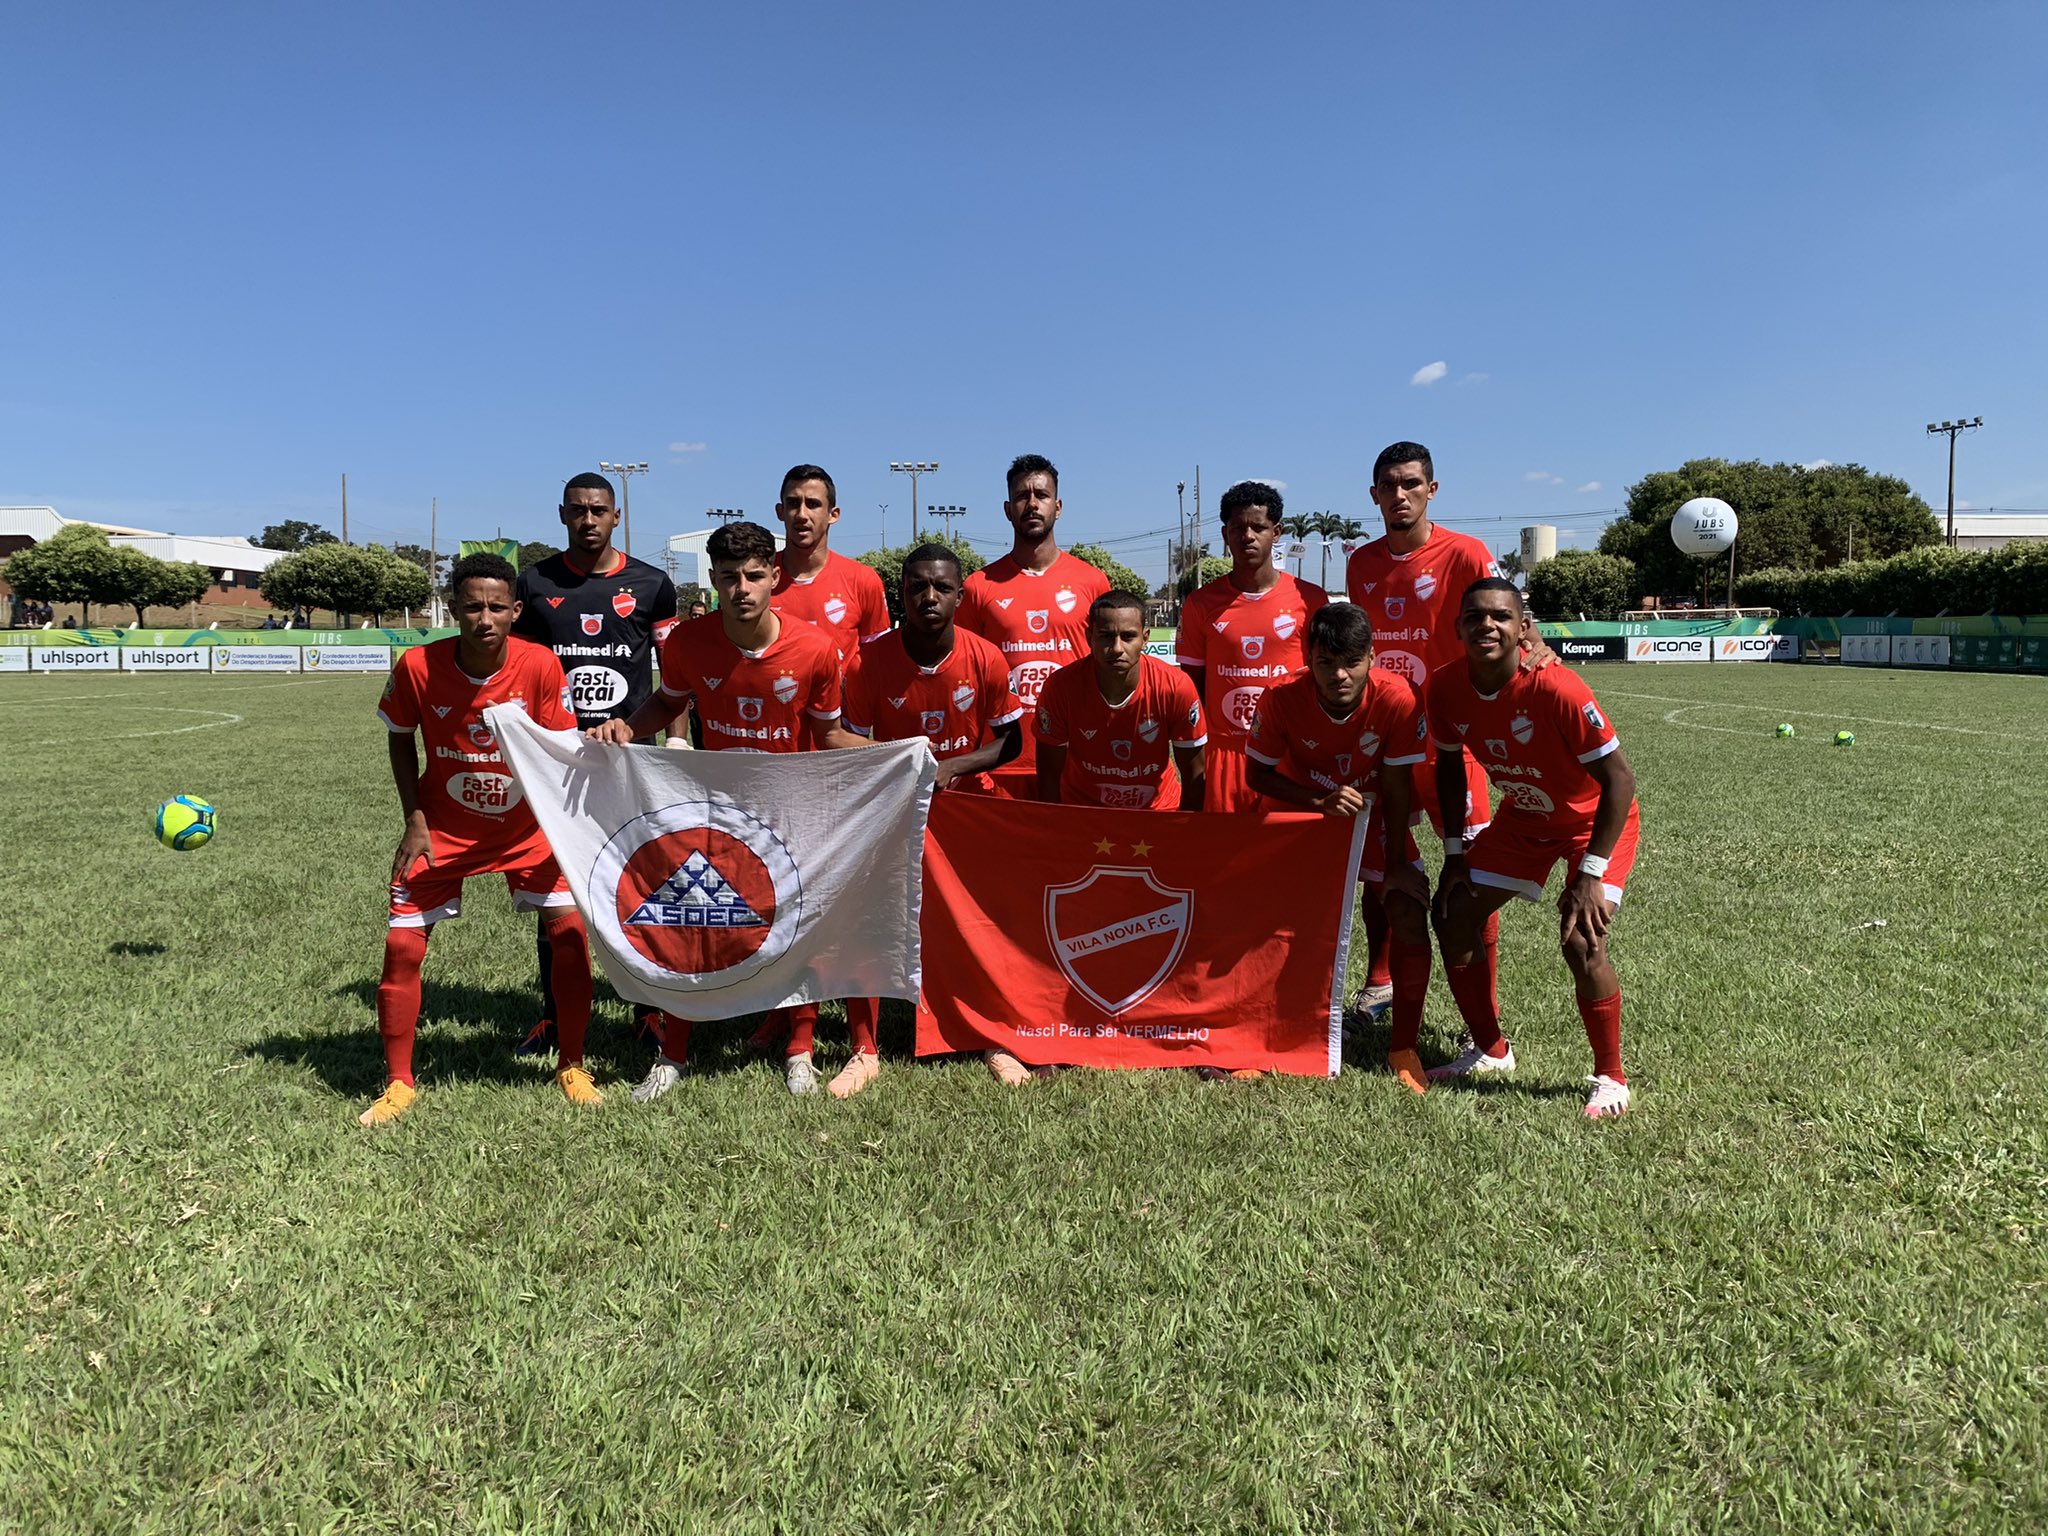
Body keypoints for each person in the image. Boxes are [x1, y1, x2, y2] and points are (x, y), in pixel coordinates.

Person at [588, 521, 869, 1100]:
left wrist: (903, 757)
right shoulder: (689, 642)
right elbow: (667, 702)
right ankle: (673, 1055)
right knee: (696, 921)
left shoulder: (816, 649)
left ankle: (801, 1050)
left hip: (791, 811)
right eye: (727, 578)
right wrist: (625, 726)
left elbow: (832, 735)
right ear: (713, 580)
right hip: (715, 808)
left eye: (752, 576)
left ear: (774, 577)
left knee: (799, 928)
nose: (741, 588)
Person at [362, 552, 598, 1125]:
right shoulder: (417, 666)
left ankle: (572, 1064)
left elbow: (560, 748)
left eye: (496, 606)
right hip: (443, 828)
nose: (484, 618)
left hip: (526, 828)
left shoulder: (540, 665)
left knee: (568, 935)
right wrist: (414, 818)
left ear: (516, 611)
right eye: (472, 606)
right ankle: (398, 1083)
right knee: (401, 946)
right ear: (454, 610)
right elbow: (400, 739)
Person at [1427, 578, 1640, 1119]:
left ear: (1523, 628)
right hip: (1524, 818)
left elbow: (1619, 781)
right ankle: (1491, 1050)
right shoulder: (1446, 687)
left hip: (1591, 824)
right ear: (1458, 628)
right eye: (1474, 617)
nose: (1487, 626)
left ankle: (1611, 1078)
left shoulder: (1557, 688)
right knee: (1452, 911)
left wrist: (1590, 874)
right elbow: (1449, 766)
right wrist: (1455, 852)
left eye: (1500, 616)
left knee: (1581, 939)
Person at [1345, 441, 1527, 1021]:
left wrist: (1535, 644)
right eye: (1389, 486)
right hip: (1386, 740)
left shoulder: (1466, 553)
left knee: (1471, 874)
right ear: (1374, 494)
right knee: (1380, 869)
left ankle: (1482, 1012)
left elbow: (1508, 610)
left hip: (1452, 744)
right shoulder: (1361, 563)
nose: (1400, 496)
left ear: (1432, 490)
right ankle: (1380, 983)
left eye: (1411, 484)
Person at [836, 543, 1025, 1096]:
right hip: (892, 811)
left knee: (980, 929)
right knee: (866, 921)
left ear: (960, 596)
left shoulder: (985, 656)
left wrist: (950, 767)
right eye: (918, 586)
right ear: (902, 594)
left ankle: (993, 1036)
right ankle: (864, 1049)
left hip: (969, 811)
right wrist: (905, 769)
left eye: (942, 587)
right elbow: (851, 742)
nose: (929, 597)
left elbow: (1011, 741)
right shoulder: (869, 660)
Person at [511, 471, 680, 1058]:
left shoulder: (653, 584)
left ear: (615, 517)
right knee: (556, 890)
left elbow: (672, 673)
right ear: (563, 515)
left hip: (629, 755)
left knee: (639, 880)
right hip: (557, 758)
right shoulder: (534, 583)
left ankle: (649, 1010)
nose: (589, 520)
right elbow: (519, 668)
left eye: (599, 510)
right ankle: (555, 1016)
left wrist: (676, 745)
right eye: (578, 510)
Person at [1245, 603, 1434, 1094]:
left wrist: (1395, 866)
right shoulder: (1281, 698)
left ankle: (1403, 1045)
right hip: (1305, 812)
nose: (1339, 674)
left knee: (1408, 907)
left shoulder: (1398, 697)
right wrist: (1318, 799)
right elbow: (1257, 773)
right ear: (1309, 659)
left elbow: (1396, 785)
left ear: (1373, 657)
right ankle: (1271, 1028)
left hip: (1372, 809)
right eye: (1326, 663)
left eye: (1351, 661)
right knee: (1279, 920)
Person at [956, 454, 1111, 801]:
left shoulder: (1093, 582)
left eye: (1041, 495)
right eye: (1022, 496)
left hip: (1078, 758)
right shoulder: (980, 586)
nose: (1032, 504)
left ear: (1058, 507)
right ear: (1008, 508)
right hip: (1004, 761)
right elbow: (964, 673)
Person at [1174, 480, 1327, 811]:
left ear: (1277, 532)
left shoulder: (1311, 599)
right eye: (1237, 527)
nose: (1247, 536)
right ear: (1225, 534)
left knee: (1288, 856)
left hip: (1290, 753)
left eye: (1258, 527)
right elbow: (1192, 692)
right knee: (1228, 857)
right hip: (1227, 755)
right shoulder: (1200, 604)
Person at [770, 463, 892, 665]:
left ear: (833, 515)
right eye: (793, 503)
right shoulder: (757, 578)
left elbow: (878, 662)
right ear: (780, 511)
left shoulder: (862, 580)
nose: (802, 514)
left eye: (813, 504)